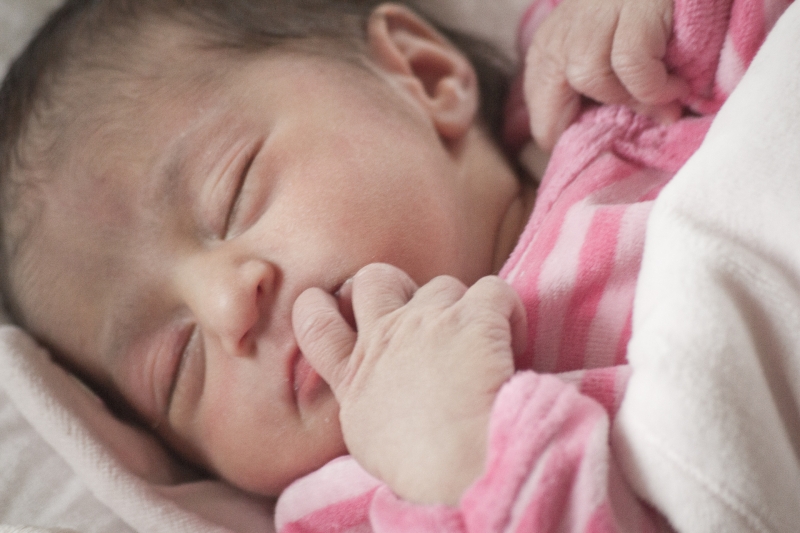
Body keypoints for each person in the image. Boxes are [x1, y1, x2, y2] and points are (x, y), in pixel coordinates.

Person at [0, 0, 787, 530]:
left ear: (425, 76)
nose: (228, 307)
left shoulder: (604, 95)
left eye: (231, 193)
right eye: (177, 365)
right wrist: (453, 460)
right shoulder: (361, 504)